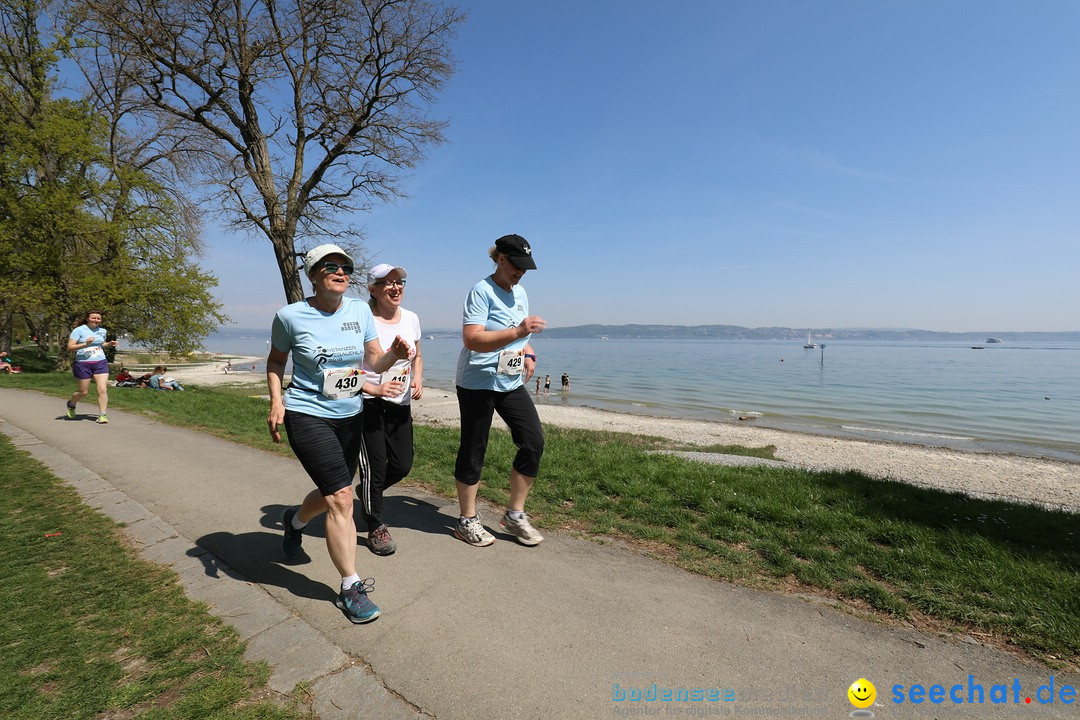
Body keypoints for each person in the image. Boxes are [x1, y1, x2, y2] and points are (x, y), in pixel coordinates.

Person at [267, 243, 410, 624]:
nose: (341, 271)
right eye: (330, 266)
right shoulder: (289, 316)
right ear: (313, 275)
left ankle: (294, 521)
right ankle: (351, 587)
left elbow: (374, 361)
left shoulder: (360, 310)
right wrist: (276, 401)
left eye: (346, 266)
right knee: (342, 499)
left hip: (350, 414)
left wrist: (394, 355)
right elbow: (277, 361)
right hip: (307, 413)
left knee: (336, 492)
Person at [453, 233, 546, 547]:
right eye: (516, 264)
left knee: (533, 441)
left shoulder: (520, 293)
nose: (521, 271)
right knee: (474, 448)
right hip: (477, 382)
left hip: (509, 380)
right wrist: (520, 331)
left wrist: (528, 350)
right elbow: (473, 339)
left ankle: (514, 515)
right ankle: (467, 520)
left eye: (526, 266)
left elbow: (518, 336)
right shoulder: (481, 291)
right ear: (501, 259)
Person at [358, 263, 423, 556]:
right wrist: (372, 387)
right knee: (377, 466)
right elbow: (350, 365)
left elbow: (417, 355)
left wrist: (418, 378)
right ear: (372, 289)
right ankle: (376, 527)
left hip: (400, 403)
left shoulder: (411, 318)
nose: (396, 287)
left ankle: (368, 491)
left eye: (400, 282)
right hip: (369, 402)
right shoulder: (363, 320)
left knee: (402, 464)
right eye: (387, 283)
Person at [66, 310, 119, 423]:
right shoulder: (79, 330)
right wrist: (85, 344)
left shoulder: (102, 331)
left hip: (100, 362)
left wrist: (109, 344)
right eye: (93, 318)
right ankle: (71, 404)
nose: (96, 320)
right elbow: (70, 347)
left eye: (98, 318)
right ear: (87, 318)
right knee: (83, 391)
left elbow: (101, 344)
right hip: (83, 363)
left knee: (102, 389)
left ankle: (102, 415)